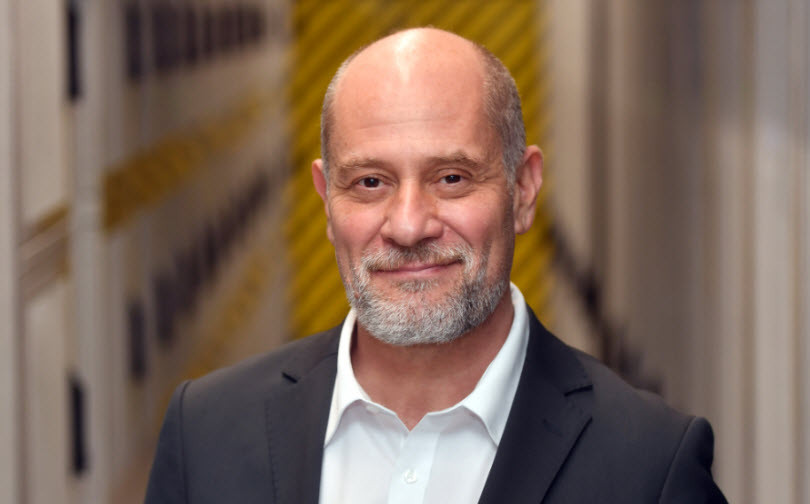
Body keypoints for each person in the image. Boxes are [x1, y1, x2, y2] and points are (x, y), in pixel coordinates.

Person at [145, 28, 727, 503]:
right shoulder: (205, 435)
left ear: (523, 190)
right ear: (326, 201)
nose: (408, 226)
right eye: (370, 182)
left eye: (451, 178)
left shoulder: (650, 467)